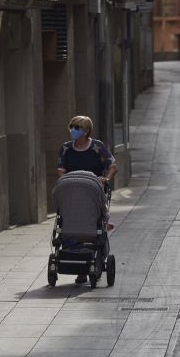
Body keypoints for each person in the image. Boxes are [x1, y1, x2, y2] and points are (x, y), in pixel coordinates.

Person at [57, 115, 117, 283]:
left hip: (93, 192)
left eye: (77, 128)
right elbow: (61, 169)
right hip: (71, 192)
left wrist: (106, 178)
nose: (73, 130)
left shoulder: (97, 147)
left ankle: (92, 256)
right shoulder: (66, 148)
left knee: (92, 220)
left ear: (86, 131)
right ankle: (75, 260)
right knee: (69, 218)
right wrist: (64, 179)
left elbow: (112, 166)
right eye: (71, 127)